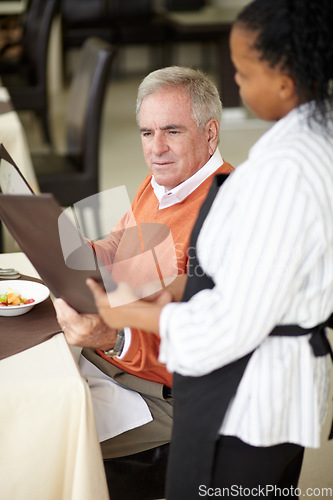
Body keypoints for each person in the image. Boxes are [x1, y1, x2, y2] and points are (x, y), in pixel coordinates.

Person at [85, 1, 333, 498]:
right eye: (148, 133)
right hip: (251, 383)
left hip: (248, 398)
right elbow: (232, 276)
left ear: (284, 80)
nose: (236, 84)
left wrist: (122, 316)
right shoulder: (299, 148)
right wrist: (173, 287)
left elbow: (225, 325)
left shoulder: (280, 176)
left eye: (242, 71)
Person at [54, 66, 233, 498]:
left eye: (172, 131)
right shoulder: (161, 184)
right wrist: (68, 249)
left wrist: (112, 338)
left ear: (210, 134)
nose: (156, 149)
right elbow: (116, 250)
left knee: (47, 432)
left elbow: (201, 350)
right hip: (111, 360)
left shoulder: (225, 217)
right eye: (146, 133)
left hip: (166, 399)